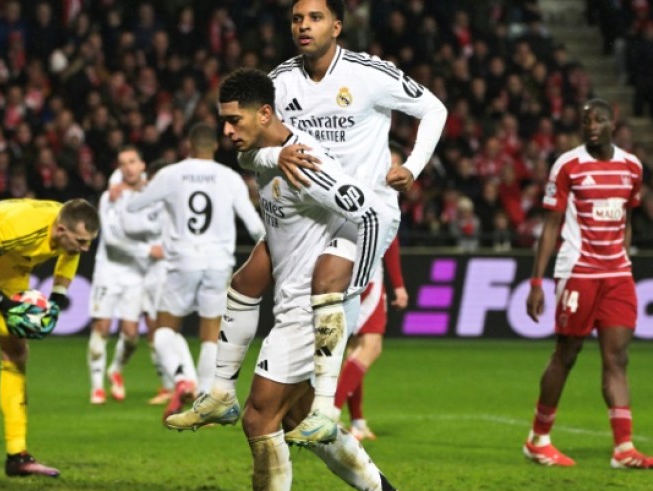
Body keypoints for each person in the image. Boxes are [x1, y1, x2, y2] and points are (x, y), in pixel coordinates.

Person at [167, 0, 446, 446]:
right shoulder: (278, 82)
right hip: (309, 208)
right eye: (297, 18)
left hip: (364, 208)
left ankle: (324, 407)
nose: (304, 25)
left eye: (315, 18)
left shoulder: (370, 75)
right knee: (246, 281)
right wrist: (275, 154)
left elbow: (435, 110)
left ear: (336, 26)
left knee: (327, 284)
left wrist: (412, 166)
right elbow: (248, 148)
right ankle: (220, 393)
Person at [214, 66, 428, 491]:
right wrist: (269, 159)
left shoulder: (308, 161)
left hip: (308, 307)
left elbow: (364, 213)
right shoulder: (267, 156)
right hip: (296, 300)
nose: (228, 131)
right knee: (294, 419)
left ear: (266, 113)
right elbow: (251, 161)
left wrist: (352, 282)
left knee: (258, 418)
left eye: (235, 121)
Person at [524, 98, 653, 470]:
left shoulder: (632, 167)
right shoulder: (568, 165)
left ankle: (624, 449)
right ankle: (538, 439)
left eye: (599, 120)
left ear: (613, 123)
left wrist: (624, 254)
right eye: (586, 120)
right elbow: (551, 225)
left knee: (618, 358)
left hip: (617, 274)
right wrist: (538, 280)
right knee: (567, 354)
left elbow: (627, 217)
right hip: (579, 271)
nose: (591, 126)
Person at [124, 123, 265, 421]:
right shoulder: (229, 178)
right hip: (218, 262)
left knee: (164, 327)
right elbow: (253, 225)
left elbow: (136, 206)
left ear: (188, 146)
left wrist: (138, 193)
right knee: (211, 333)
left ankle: (180, 378)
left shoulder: (170, 174)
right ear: (214, 146)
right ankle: (204, 398)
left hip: (182, 260)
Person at [0, 198, 99, 478]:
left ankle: (16, 454)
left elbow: (69, 258)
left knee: (16, 355)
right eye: (80, 241)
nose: (85, 248)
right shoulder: (21, 228)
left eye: (89, 241)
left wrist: (55, 301)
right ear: (60, 231)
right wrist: (0, 300)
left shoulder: (68, 230)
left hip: (11, 271)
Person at [86, 146, 163, 404]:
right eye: (123, 164)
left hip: (136, 273)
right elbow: (111, 240)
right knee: (102, 327)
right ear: (119, 170)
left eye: (132, 162)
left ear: (142, 165)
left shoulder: (152, 194)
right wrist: (147, 250)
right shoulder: (110, 198)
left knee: (131, 334)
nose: (128, 167)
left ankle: (115, 370)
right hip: (109, 269)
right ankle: (97, 387)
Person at [334, 235, 406, 441]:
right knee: (371, 347)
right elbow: (390, 238)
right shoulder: (381, 202)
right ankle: (329, 412)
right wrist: (399, 286)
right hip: (368, 275)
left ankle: (358, 422)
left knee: (356, 350)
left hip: (343, 269)